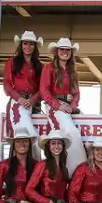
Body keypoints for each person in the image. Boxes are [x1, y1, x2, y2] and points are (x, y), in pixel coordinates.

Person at [40, 37, 87, 177]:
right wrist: (57, 105)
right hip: (54, 106)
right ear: (57, 51)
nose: (65, 52)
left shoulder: (73, 71)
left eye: (67, 50)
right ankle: (73, 172)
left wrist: (72, 107)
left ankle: (82, 169)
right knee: (70, 133)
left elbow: (76, 93)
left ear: (71, 52)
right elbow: (44, 90)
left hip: (68, 107)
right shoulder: (48, 68)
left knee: (82, 131)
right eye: (62, 49)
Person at [3, 30, 44, 160]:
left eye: (31, 44)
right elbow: (7, 84)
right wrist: (19, 98)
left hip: (33, 104)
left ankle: (35, 169)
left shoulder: (40, 66)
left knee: (30, 137)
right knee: (27, 136)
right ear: (21, 45)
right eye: (25, 43)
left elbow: (43, 89)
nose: (28, 47)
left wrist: (32, 100)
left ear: (35, 46)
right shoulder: (12, 62)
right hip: (17, 103)